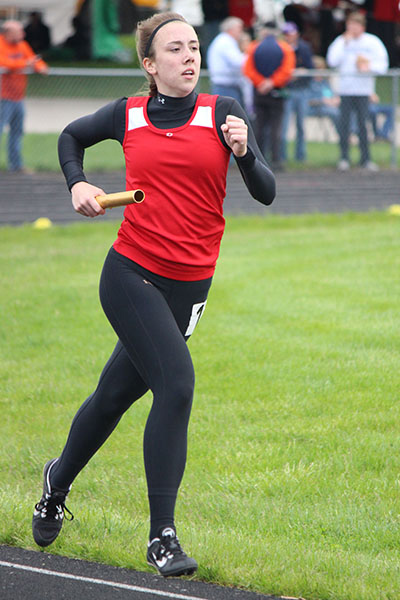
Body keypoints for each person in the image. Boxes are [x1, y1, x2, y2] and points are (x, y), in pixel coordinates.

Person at [31, 11, 275, 578]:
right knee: (178, 383)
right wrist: (79, 184)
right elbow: (71, 137)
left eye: (194, 46)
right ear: (150, 63)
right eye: (175, 49)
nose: (189, 56)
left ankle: (55, 482)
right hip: (130, 273)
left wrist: (245, 153)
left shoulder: (225, 114)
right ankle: (161, 537)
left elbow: (264, 191)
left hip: (190, 287)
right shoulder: (128, 113)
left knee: (113, 397)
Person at [326, 10, 389, 171]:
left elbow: (383, 65)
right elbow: (332, 61)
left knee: (363, 125)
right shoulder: (341, 41)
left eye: (355, 25)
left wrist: (368, 68)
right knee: (344, 125)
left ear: (362, 26)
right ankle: (344, 157)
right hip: (345, 90)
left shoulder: (372, 42)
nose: (352, 28)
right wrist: (344, 43)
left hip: (363, 90)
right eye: (350, 25)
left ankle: (366, 158)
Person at [242, 23, 295, 171]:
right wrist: (272, 82)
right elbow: (287, 70)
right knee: (275, 127)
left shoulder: (254, 46)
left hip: (259, 92)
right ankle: (276, 160)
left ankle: (258, 159)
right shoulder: (284, 47)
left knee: (258, 126)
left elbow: (247, 68)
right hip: (277, 93)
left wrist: (261, 83)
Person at [0, 20, 48, 172]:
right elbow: (6, 64)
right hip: (3, 97)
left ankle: (15, 165)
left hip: (18, 97)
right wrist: (26, 63)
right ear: (7, 33)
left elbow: (35, 61)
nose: (23, 34)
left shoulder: (22, 45)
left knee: (17, 131)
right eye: (18, 31)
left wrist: (39, 67)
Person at [280, 21, 314, 163]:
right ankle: (281, 156)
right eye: (286, 34)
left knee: (301, 125)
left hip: (301, 90)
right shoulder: (281, 48)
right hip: (287, 90)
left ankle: (301, 156)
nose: (289, 37)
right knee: (283, 125)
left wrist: (301, 72)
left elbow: (310, 68)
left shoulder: (304, 48)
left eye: (291, 34)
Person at [206, 16, 247, 105]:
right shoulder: (226, 42)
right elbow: (238, 62)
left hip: (224, 85)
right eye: (239, 28)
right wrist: (250, 57)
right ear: (231, 29)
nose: (241, 32)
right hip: (226, 87)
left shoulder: (222, 40)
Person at [307, 55, 340, 135]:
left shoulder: (325, 82)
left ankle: (352, 133)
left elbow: (330, 94)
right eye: (318, 69)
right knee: (335, 112)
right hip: (315, 108)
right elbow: (308, 101)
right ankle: (344, 135)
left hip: (328, 106)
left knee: (348, 110)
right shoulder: (309, 82)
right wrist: (323, 101)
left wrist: (335, 99)